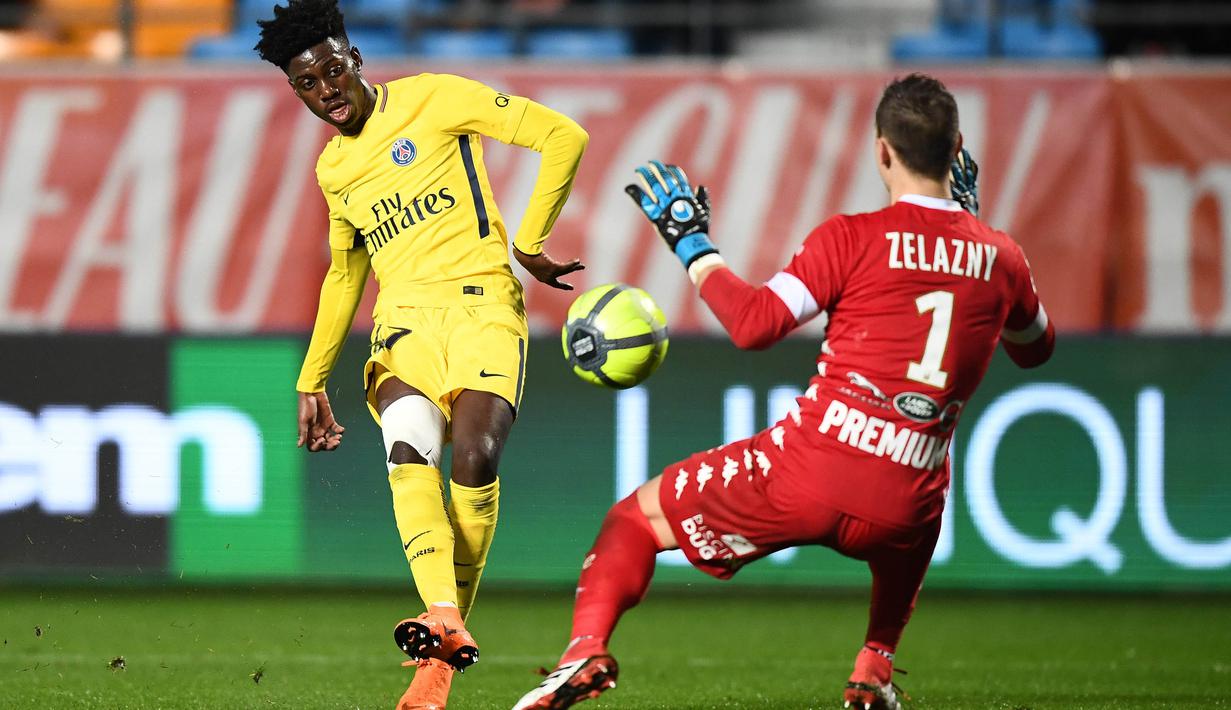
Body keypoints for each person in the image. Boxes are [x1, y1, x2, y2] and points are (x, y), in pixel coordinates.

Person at [513, 74, 1054, 710]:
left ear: (882, 151)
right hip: (904, 503)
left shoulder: (851, 238)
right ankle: (874, 666)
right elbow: (1035, 348)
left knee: (634, 519)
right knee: (924, 480)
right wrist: (973, 234)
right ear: (957, 147)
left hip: (809, 474)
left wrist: (692, 245)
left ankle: (583, 652)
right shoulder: (1001, 258)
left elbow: (755, 325)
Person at [253, 1, 589, 707]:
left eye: (332, 70)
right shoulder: (334, 170)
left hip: (483, 307)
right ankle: (442, 625)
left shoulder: (435, 97)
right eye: (306, 84)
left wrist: (530, 240)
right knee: (409, 446)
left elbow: (563, 135)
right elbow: (345, 274)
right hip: (403, 323)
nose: (325, 91)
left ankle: (438, 658)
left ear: (355, 59)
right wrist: (312, 378)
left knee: (475, 459)